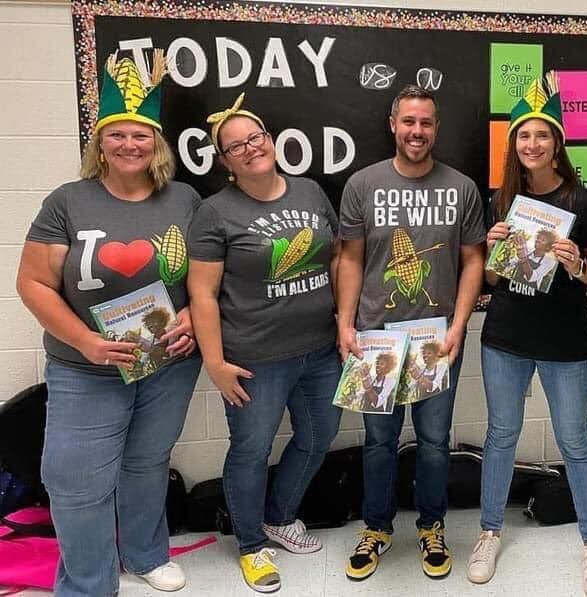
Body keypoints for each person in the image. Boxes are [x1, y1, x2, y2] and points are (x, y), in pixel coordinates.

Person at [16, 51, 201, 596]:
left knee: (147, 462)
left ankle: (145, 552)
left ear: (156, 144)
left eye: (140, 135)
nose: (128, 145)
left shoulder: (186, 200)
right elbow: (32, 283)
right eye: (116, 134)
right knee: (73, 480)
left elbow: (207, 276)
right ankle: (90, 583)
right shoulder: (67, 202)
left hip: (166, 359)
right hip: (85, 365)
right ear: (99, 143)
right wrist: (87, 342)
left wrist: (192, 312)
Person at [187, 93, 343, 593]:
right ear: (226, 161)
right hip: (255, 360)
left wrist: (344, 322)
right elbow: (203, 294)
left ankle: (279, 517)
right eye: (237, 146)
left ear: (270, 140)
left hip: (321, 351)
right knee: (250, 451)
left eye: (256, 137)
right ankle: (252, 545)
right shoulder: (215, 213)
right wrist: (215, 362)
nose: (251, 148)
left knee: (318, 437)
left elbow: (336, 259)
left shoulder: (311, 192)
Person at [466, 72, 587, 597]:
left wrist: (576, 265)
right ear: (514, 144)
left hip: (566, 343)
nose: (532, 144)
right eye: (523, 136)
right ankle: (489, 532)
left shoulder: (581, 200)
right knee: (501, 435)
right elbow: (487, 279)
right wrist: (491, 245)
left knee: (575, 439)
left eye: (542, 135)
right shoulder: (498, 197)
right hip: (505, 336)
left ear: (557, 143)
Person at [337, 84, 485, 580]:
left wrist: (460, 325)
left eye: (425, 123)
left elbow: (473, 260)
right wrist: (344, 322)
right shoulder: (362, 185)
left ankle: (431, 526)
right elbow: (351, 259)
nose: (416, 132)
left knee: (434, 439)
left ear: (436, 128)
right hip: (376, 336)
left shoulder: (461, 188)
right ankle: (376, 528)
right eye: (408, 122)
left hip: (435, 341)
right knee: (378, 440)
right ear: (393, 125)